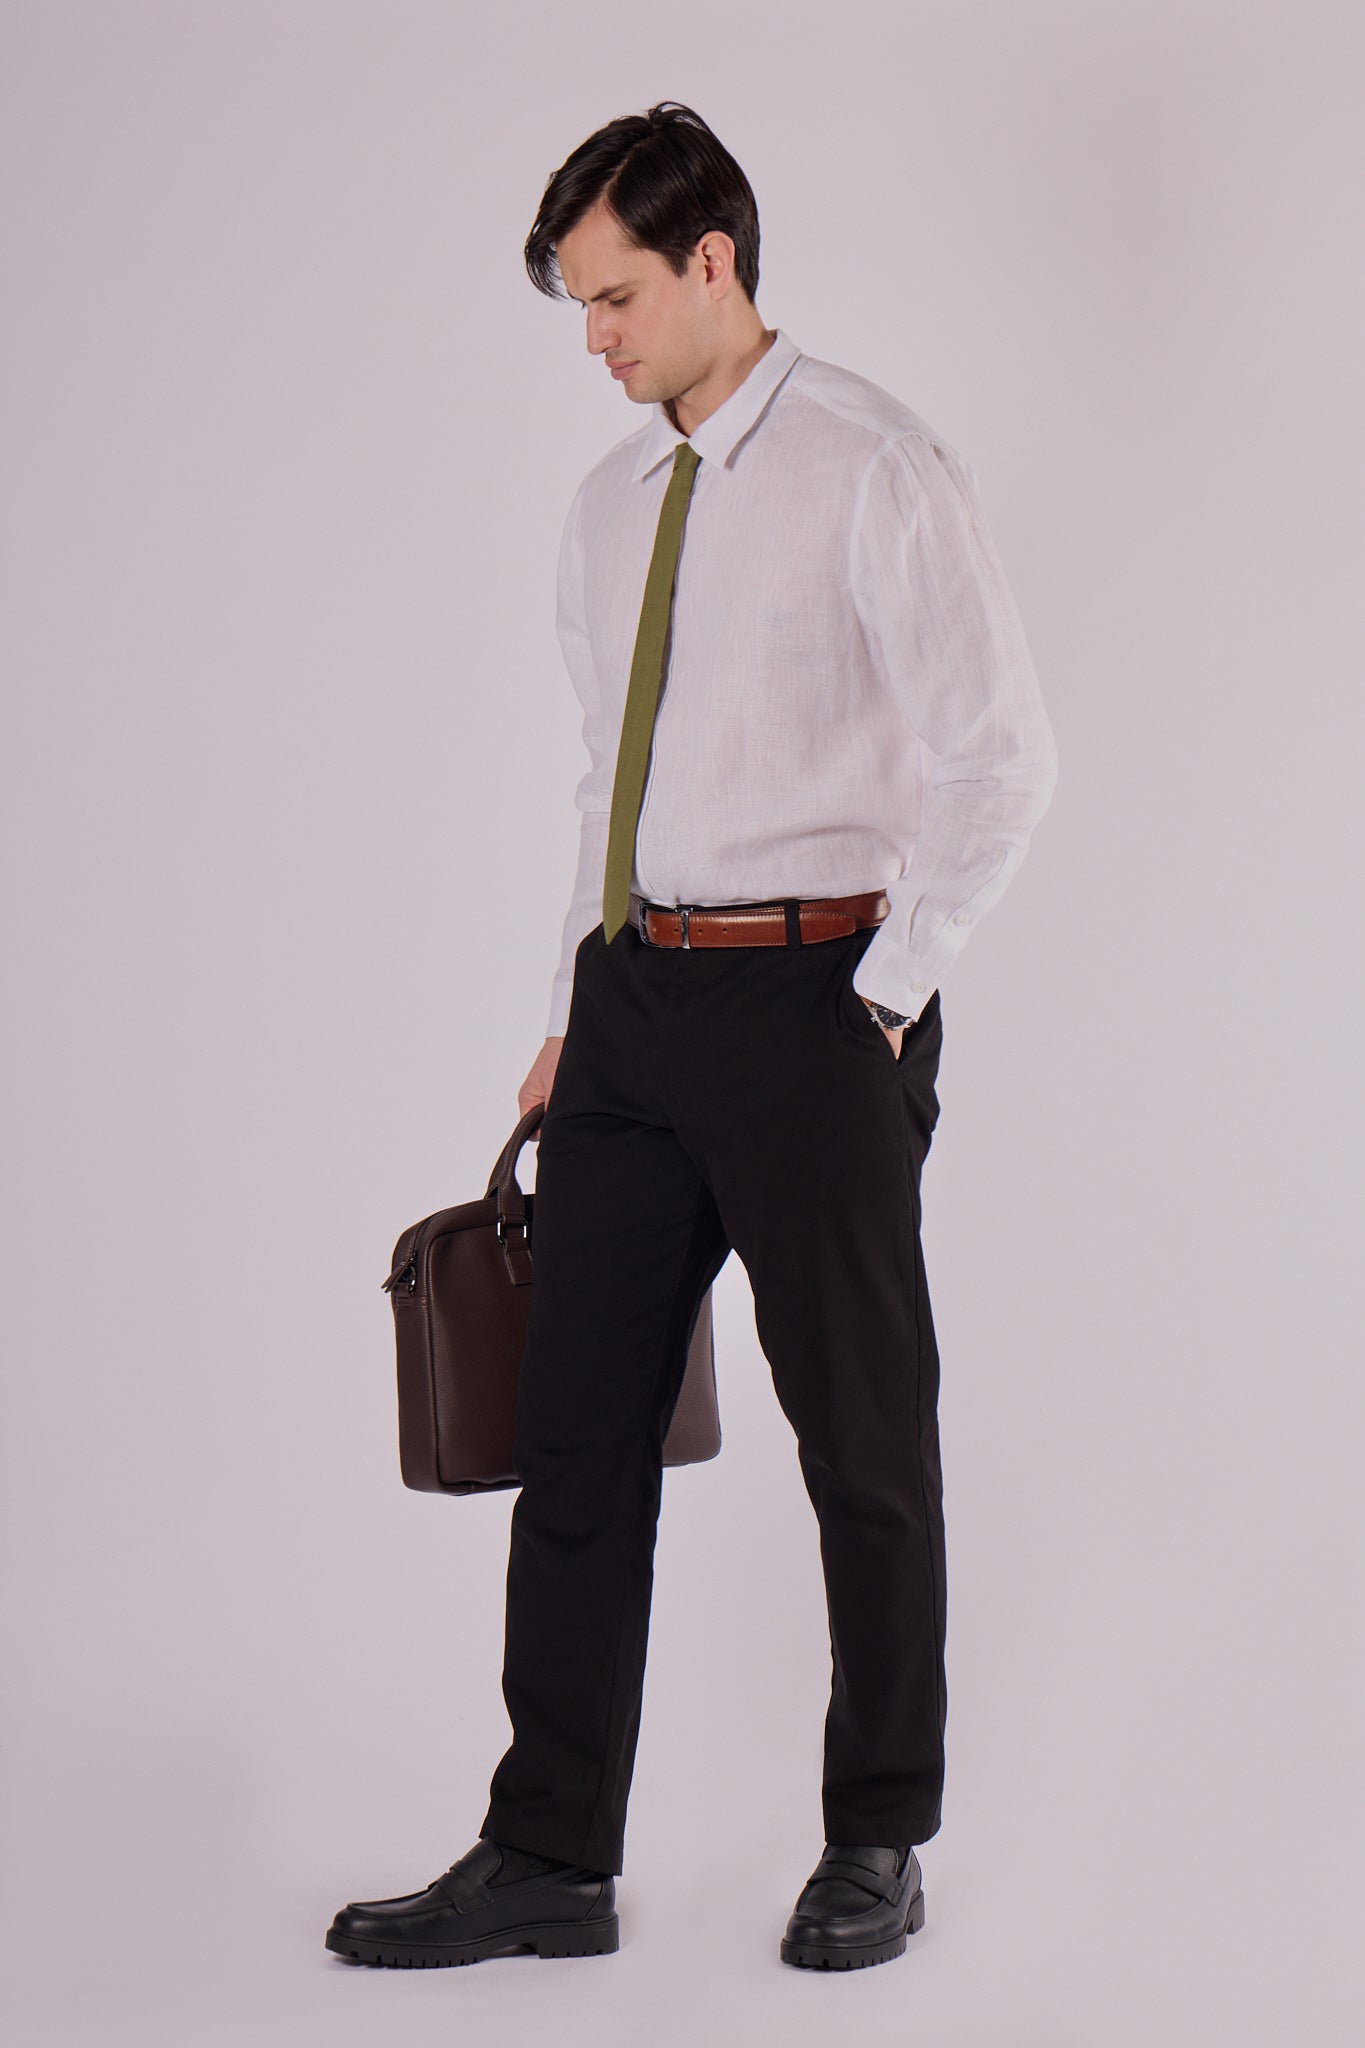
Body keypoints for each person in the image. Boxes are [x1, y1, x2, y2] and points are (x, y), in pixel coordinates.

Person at [326, 99, 1059, 1975]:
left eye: (614, 296)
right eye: (578, 305)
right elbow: (612, 775)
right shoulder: (610, 506)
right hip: (634, 1009)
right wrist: (570, 1010)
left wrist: (882, 998)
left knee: (862, 1446)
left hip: (820, 1001)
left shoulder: (873, 464)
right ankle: (547, 1853)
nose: (592, 337)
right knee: (575, 1443)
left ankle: (877, 1834)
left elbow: (1000, 759)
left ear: (712, 261)